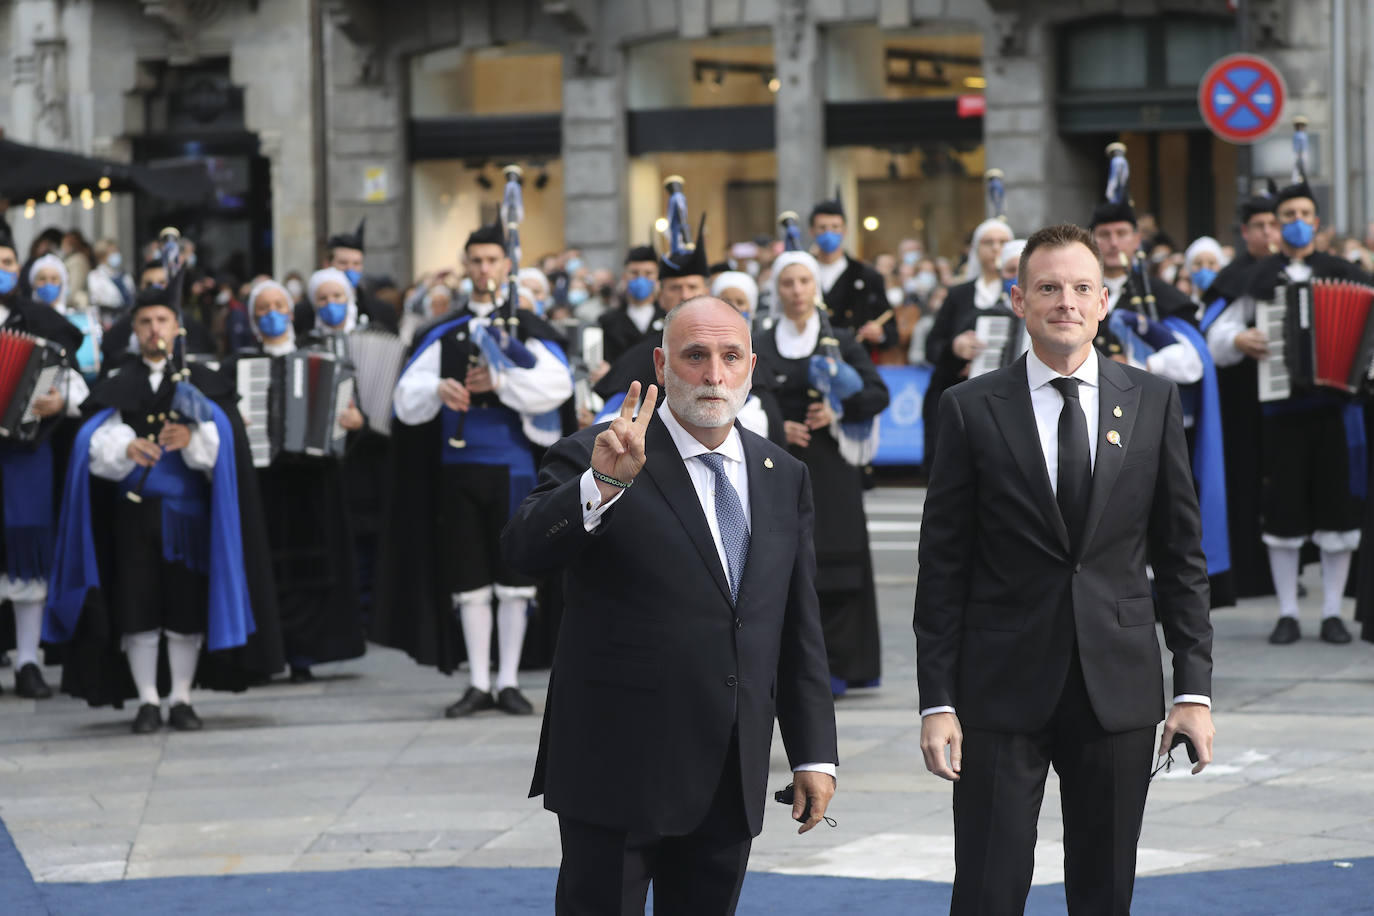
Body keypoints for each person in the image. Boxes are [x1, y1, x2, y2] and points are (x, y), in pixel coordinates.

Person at [501, 297, 838, 915]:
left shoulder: (781, 473)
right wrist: (601, 486)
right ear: (661, 364)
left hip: (728, 772)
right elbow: (524, 550)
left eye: (730, 357)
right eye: (695, 356)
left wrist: (814, 753)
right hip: (614, 769)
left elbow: (795, 625)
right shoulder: (600, 453)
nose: (713, 375)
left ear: (752, 368)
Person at [916, 223, 1215, 915]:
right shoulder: (968, 409)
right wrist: (937, 701)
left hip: (1118, 692)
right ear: (1018, 300)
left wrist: (1193, 689)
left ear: (1104, 301)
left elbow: (1181, 558)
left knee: (1104, 892)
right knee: (987, 891)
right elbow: (942, 569)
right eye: (1048, 288)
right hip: (997, 693)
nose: (1066, 302)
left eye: (1082, 288)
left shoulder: (1152, 400)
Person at [43, 277, 282, 731]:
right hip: (132, 516)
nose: (154, 330)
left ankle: (181, 698)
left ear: (177, 327)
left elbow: (225, 449)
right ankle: (148, 700)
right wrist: (125, 447)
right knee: (137, 608)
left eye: (162, 321)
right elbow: (89, 445)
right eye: (146, 322)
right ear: (134, 330)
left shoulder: (205, 381)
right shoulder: (117, 383)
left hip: (188, 520)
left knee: (184, 609)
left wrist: (194, 438)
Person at [372, 218, 572, 718]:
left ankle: (507, 680)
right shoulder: (444, 332)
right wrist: (438, 389)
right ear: (466, 266)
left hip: (513, 469)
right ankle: (479, 681)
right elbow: (404, 398)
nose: (483, 270)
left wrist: (500, 383)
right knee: (468, 577)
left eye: (492, 261)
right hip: (456, 469)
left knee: (513, 576)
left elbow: (557, 386)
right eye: (476, 261)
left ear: (507, 267)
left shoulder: (527, 329)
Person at [1204, 172, 1371, 644]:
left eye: (1303, 216)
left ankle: (1335, 611)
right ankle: (1288, 611)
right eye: (1287, 217)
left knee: (1338, 511)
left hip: (1337, 410)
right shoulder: (1253, 276)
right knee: (1283, 510)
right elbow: (1215, 338)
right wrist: (1240, 338)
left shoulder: (1349, 273)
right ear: (1274, 226)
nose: (1296, 223)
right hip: (1280, 414)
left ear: (1317, 223)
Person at [755, 249, 888, 696]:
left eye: (804, 282)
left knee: (836, 561)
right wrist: (778, 426)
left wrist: (836, 411)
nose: (796, 291)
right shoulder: (762, 340)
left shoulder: (841, 341)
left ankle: (841, 663)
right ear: (777, 289)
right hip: (778, 465)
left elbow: (876, 394)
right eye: (788, 283)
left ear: (817, 288)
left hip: (831, 469)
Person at [226, 280, 366, 683]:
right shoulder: (239, 367)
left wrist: (355, 424)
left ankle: (306, 653)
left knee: (313, 570)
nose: (272, 314)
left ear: (291, 312)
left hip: (313, 482)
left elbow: (348, 421)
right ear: (253, 320)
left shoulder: (321, 360)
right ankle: (272, 652)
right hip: (264, 482)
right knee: (266, 568)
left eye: (278, 306)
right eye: (263, 309)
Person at [0, 224, 88, 700]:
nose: (1, 270)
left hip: (25, 453)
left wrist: (59, 403)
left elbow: (76, 382)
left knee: (28, 556)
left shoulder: (42, 320)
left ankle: (29, 661)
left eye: (8, 262)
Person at [1200, 190, 1280, 599]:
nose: (1268, 234)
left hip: (1289, 404)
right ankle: (1248, 571)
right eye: (1260, 227)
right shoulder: (1231, 278)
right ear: (1246, 232)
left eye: (1274, 225)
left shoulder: (1298, 270)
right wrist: (1237, 338)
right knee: (1243, 485)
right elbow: (1210, 336)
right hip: (1243, 402)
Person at [920, 216, 1014, 471]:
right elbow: (931, 347)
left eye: (1003, 242)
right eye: (988, 242)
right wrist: (955, 347)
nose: (996, 248)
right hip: (958, 394)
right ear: (975, 249)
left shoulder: (1022, 295)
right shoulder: (958, 294)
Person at [807, 192, 896, 353]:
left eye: (835, 227)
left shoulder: (867, 276)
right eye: (822, 227)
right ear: (812, 231)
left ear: (845, 231)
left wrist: (880, 333)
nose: (829, 233)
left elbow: (890, 327)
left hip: (853, 356)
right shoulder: (802, 272)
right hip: (810, 353)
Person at [294, 220, 398, 336]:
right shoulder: (303, 312)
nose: (350, 269)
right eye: (343, 263)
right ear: (327, 265)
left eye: (356, 264)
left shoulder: (382, 311)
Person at [29, 253, 103, 379]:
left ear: (62, 283)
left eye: (54, 279)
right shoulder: (26, 317)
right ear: (33, 284)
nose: (48, 284)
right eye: (42, 279)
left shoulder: (71, 320)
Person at [597, 246, 664, 368]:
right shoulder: (607, 321)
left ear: (657, 278)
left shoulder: (668, 319)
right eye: (634, 273)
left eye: (648, 273)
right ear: (624, 277)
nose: (641, 279)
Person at [85, 238, 136, 326]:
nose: (116, 255)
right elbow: (98, 300)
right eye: (112, 252)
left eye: (117, 251)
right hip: (108, 321)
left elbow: (132, 295)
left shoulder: (124, 275)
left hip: (128, 319)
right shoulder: (95, 276)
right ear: (102, 255)